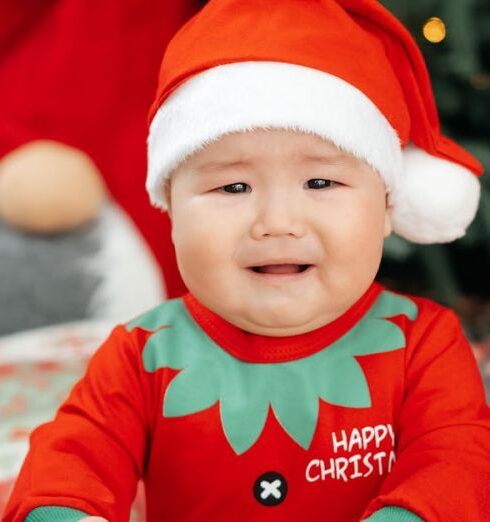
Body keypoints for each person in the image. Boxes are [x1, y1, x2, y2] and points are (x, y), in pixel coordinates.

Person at [4, 0, 490, 520]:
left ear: (388, 206)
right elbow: (67, 465)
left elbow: (456, 463)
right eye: (233, 186)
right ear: (169, 210)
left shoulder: (425, 346)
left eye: (320, 182)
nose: (276, 222)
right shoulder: (142, 356)